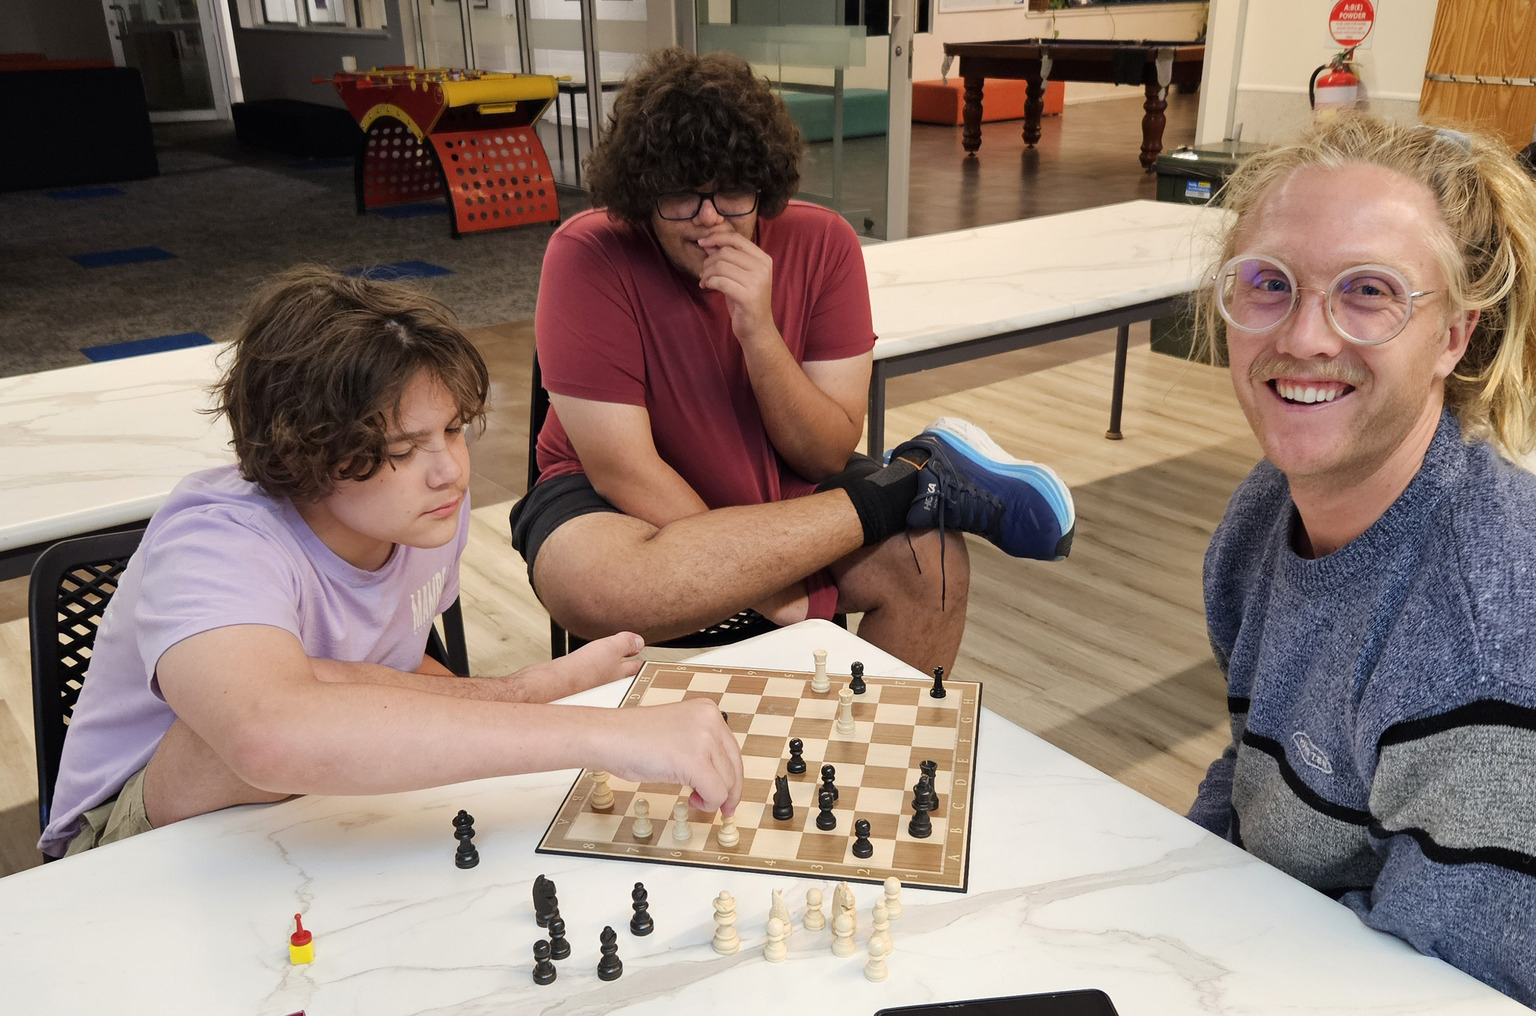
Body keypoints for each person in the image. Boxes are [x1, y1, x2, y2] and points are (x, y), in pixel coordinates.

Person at [40, 266, 743, 859]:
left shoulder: (423, 511)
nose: (449, 473)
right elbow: (268, 737)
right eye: (403, 451)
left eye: (454, 432)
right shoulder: (215, 543)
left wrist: (515, 695)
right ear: (304, 452)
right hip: (129, 843)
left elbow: (390, 672)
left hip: (302, 815)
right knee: (263, 712)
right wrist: (605, 734)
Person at [512, 48, 1075, 677]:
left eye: (731, 192)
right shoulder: (586, 252)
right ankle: (916, 481)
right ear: (643, 191)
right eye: (680, 195)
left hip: (783, 482)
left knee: (932, 563)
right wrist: (771, 587)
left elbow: (826, 454)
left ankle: (863, 758)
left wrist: (759, 330)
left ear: (764, 185)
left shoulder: (824, 242)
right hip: (614, 501)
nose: (707, 219)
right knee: (596, 588)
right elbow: (626, 471)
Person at [1187, 113, 1536, 1004]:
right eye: (1269, 284)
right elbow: (1252, 779)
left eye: (1368, 292)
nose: (1304, 337)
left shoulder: (1487, 643)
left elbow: (1441, 991)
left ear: (1455, 335)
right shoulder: (1262, 514)